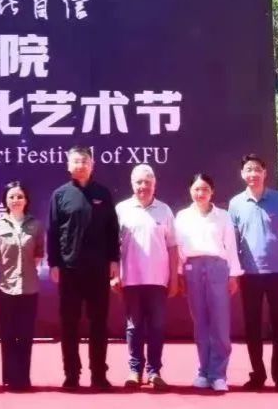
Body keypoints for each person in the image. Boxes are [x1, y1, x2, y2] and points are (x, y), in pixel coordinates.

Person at [46, 145, 120, 391]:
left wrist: (114, 260)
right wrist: (54, 263)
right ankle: (71, 374)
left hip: (98, 269)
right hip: (70, 269)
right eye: (76, 161)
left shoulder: (103, 193)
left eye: (84, 161)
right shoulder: (60, 195)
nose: (80, 165)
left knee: (99, 322)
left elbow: (112, 230)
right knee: (69, 323)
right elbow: (53, 232)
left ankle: (99, 374)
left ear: (92, 165)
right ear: (68, 165)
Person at [228, 154, 278, 392]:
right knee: (252, 326)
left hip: (277, 273)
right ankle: (257, 374)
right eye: (248, 169)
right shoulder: (235, 204)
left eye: (257, 169)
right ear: (242, 174)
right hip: (249, 274)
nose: (253, 174)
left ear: (265, 173)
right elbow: (232, 242)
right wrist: (234, 273)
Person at [174, 173, 241, 393]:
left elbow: (230, 246)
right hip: (192, 269)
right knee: (200, 323)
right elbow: (178, 248)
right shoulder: (182, 216)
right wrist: (179, 274)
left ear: (212, 192)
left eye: (205, 189)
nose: (200, 193)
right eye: (196, 189)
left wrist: (233, 275)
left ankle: (218, 374)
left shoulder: (223, 216)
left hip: (218, 268)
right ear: (190, 191)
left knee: (220, 323)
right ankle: (203, 372)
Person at [115, 164, 178, 390]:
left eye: (147, 182)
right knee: (134, 327)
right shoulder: (121, 209)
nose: (143, 186)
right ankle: (135, 371)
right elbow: (113, 247)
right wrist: (114, 274)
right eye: (139, 182)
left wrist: (174, 278)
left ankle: (154, 372)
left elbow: (172, 246)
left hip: (158, 280)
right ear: (132, 184)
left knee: (157, 326)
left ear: (154, 184)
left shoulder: (165, 210)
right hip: (130, 279)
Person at [0, 181, 44, 391]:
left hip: (29, 287)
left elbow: (38, 254)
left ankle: (23, 378)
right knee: (8, 333)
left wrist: (24, 271)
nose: (15, 200)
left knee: (26, 334)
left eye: (20, 196)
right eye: (11, 197)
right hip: (5, 287)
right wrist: (9, 272)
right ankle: (9, 377)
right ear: (5, 200)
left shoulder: (36, 225)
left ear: (26, 200)